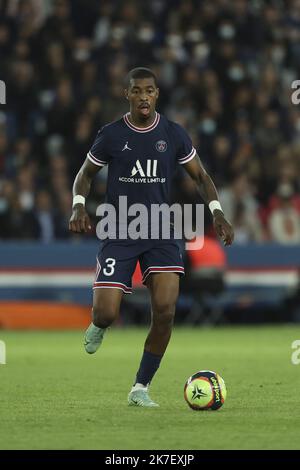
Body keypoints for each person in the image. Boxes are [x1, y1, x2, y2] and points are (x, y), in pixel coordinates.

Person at [69, 67, 234, 407]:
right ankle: (99, 324)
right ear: (126, 94)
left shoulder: (173, 134)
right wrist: (78, 206)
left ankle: (140, 387)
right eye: (137, 90)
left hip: (162, 231)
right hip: (120, 229)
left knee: (165, 311)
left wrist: (217, 212)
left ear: (157, 95)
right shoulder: (112, 135)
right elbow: (85, 175)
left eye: (149, 90)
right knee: (106, 314)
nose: (143, 96)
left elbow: (200, 177)